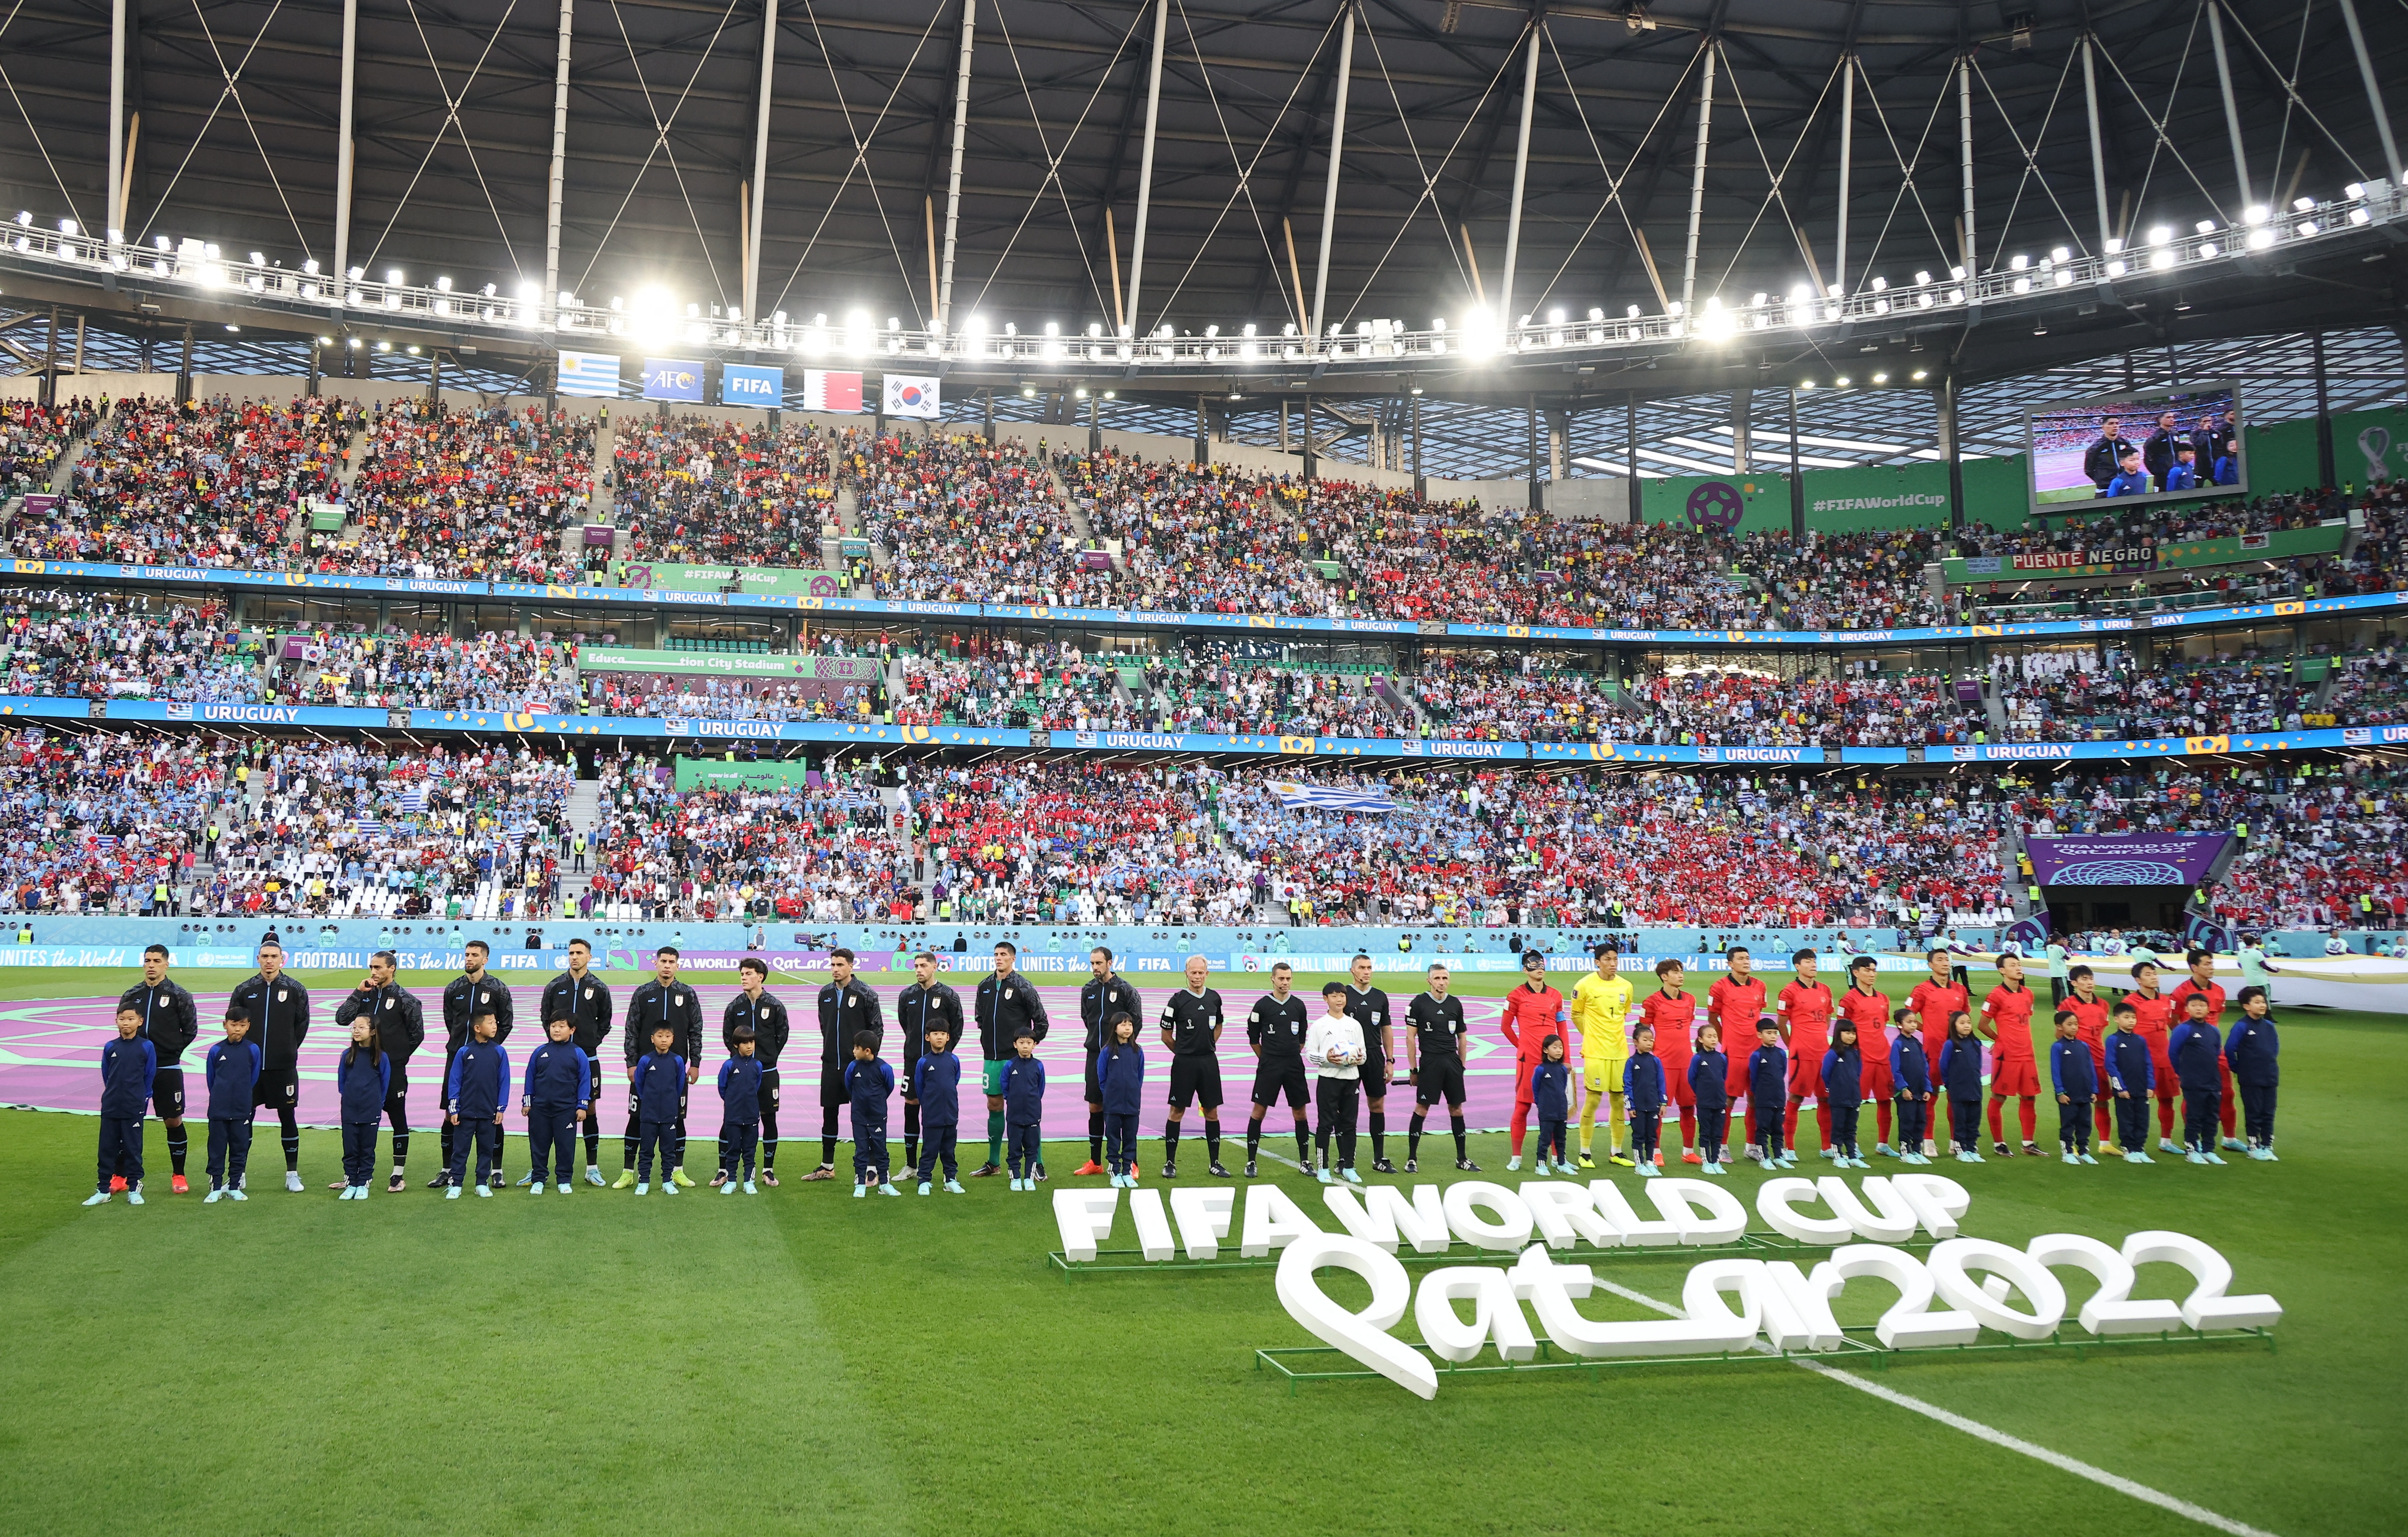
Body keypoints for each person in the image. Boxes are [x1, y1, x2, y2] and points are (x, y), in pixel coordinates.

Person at [334, 950, 423, 1194]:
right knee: (356, 1123)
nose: (373, 972)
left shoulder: (406, 999)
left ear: (392, 969)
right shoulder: (365, 995)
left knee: (398, 1121)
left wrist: (396, 1059)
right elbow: (342, 1018)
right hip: (361, 1072)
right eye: (371, 967)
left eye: (378, 968)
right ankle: (353, 1176)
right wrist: (357, 993)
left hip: (392, 1072)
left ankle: (397, 1175)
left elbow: (417, 1035)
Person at [228, 938, 310, 1192]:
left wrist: (285, 1049)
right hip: (249, 1068)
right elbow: (234, 1022)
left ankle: (292, 1174)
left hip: (283, 1067)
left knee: (288, 1117)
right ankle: (238, 1174)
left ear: (281, 959)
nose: (269, 961)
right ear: (258, 959)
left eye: (274, 956)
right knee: (244, 1118)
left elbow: (301, 1026)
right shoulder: (244, 990)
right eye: (265, 956)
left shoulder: (296, 989)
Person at [119, 944, 198, 1195]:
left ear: (167, 964)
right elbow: (124, 1026)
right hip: (135, 1069)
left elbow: (190, 1030)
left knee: (173, 1121)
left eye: (156, 960)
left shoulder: (179, 995)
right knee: (130, 1120)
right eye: (147, 960)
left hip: (167, 1068)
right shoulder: (132, 995)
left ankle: (179, 1175)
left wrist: (170, 1051)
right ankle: (122, 1176)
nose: (151, 965)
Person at [623, 947, 705, 1188]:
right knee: (636, 1118)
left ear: (678, 965)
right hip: (645, 1070)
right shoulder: (643, 993)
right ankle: (629, 1171)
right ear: (656, 964)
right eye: (663, 961)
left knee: (677, 1119)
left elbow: (695, 1030)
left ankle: (677, 1170)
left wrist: (695, 1063)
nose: (667, 965)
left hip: (676, 1071)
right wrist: (631, 1062)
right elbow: (631, 1029)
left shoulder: (688, 994)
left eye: (671, 961)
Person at [439, 940, 515, 1188]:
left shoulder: (498, 988)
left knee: (493, 1116)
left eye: (474, 955)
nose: (469, 959)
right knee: (451, 1113)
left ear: (485, 959)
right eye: (467, 954)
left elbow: (506, 1022)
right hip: (457, 1058)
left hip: (487, 1061)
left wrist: (488, 1050)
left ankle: (497, 1170)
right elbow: (450, 1020)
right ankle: (447, 1170)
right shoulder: (454, 988)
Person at [538, 938, 611, 1185]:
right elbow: (545, 1016)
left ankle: (592, 1168)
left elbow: (606, 1022)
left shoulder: (600, 988)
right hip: (558, 1060)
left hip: (588, 1058)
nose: (574, 957)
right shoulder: (555, 985)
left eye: (579, 953)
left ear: (589, 957)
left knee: (589, 1110)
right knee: (549, 1111)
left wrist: (590, 1041)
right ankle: (540, 1170)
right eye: (571, 953)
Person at [971, 942, 1042, 1179]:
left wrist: (1027, 1049)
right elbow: (980, 1018)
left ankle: (1037, 1163)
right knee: (994, 1105)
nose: (999, 958)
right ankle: (994, 1162)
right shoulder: (985, 986)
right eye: (996, 955)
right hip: (991, 1058)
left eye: (1004, 955)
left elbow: (1041, 1021)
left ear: (1013, 959)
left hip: (1015, 1060)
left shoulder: (1023, 986)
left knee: (1023, 1110)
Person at [1156, 954, 1228, 1179]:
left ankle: (1215, 1162)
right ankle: (1170, 1163)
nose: (1197, 977)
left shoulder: (1215, 999)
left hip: (1208, 1062)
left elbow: (1218, 1026)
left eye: (1201, 973)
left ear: (1207, 974)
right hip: (1184, 1063)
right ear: (1186, 973)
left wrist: (1208, 1044)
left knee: (1212, 1112)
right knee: (1177, 1111)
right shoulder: (1176, 1001)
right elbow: (1166, 1036)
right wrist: (1183, 1052)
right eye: (1193, 972)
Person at [718, 958, 789, 1187]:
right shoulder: (734, 1007)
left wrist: (767, 1057)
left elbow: (782, 1035)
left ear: (761, 977)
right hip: (740, 1075)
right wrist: (741, 1061)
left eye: (748, 974)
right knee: (730, 1120)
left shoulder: (775, 1006)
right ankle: (724, 1170)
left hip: (767, 1072)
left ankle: (768, 1170)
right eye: (742, 974)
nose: (743, 978)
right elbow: (728, 1037)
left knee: (769, 1118)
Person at [896, 951, 964, 1183]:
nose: (918, 970)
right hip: (913, 1061)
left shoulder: (948, 995)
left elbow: (957, 1027)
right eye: (916, 966)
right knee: (911, 1105)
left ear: (935, 967)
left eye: (923, 966)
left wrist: (943, 1054)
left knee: (938, 1111)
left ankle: (947, 1171)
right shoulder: (907, 995)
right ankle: (911, 1165)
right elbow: (906, 1024)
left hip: (940, 1063)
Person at [1075, 948, 1143, 1177]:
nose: (1095, 967)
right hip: (1095, 1055)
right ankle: (1095, 1161)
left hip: (1121, 1056)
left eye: (1099, 963)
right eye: (1092, 963)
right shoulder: (1088, 990)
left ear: (1110, 963)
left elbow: (1137, 1021)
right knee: (1095, 1106)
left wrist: (1121, 1046)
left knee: (1122, 1109)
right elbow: (1087, 1019)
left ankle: (1131, 1162)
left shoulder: (1125, 990)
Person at [2168, 949, 2245, 1151]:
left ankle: (2230, 1138)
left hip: (2215, 1052)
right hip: (2193, 1052)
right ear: (2194, 967)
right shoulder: (2180, 992)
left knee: (2227, 1094)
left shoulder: (2219, 991)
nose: (2212, 968)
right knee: (2193, 1097)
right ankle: (2193, 1140)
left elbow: (2217, 1018)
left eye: (2212, 964)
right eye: (2207, 964)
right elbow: (2173, 1021)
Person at [1404, 962, 1476, 1173]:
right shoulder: (1418, 1004)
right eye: (1437, 978)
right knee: (1422, 1108)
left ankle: (1462, 1158)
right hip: (1430, 1062)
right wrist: (1413, 1069)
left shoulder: (1455, 1004)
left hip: (1451, 1063)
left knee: (1456, 1108)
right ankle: (1411, 1159)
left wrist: (1461, 1065)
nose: (1441, 982)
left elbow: (1462, 1037)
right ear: (1429, 981)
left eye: (1445, 978)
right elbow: (1410, 1038)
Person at [1499, 950, 1569, 1171]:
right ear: (1525, 969)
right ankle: (1516, 1157)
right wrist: (1522, 1047)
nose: (1539, 967)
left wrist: (1565, 1057)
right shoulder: (1516, 996)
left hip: (1554, 1063)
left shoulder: (1556, 996)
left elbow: (1562, 1027)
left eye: (1542, 964)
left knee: (1557, 1110)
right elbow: (1505, 1027)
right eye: (1533, 964)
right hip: (1528, 1061)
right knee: (1522, 1108)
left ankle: (1559, 1160)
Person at [1244, 960, 1313, 1177]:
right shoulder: (1262, 1006)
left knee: (1300, 1112)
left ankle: (1305, 1160)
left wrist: (1289, 1054)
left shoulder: (1299, 1006)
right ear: (1272, 979)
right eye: (1281, 978)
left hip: (1294, 1064)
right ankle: (1251, 1162)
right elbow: (1254, 1039)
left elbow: (1302, 1039)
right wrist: (1268, 1059)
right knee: (1259, 1110)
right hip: (1269, 1065)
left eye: (1288, 979)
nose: (1285, 982)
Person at [1571, 944, 1634, 1169]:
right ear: (1597, 962)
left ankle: (1616, 1151)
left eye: (1615, 959)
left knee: (1619, 1101)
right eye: (1608, 959)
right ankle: (1585, 1153)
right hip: (1596, 1052)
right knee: (1594, 1099)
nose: (1613, 963)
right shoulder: (1584, 985)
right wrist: (1591, 1036)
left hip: (1620, 1052)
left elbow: (1623, 1014)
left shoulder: (1626, 986)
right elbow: (1576, 1013)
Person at [87, 1008, 156, 1206]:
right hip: (111, 1105)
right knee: (107, 1148)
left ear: (140, 1022)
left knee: (132, 1148)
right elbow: (106, 1073)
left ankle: (134, 1188)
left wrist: (142, 1098)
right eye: (122, 1019)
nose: (126, 1023)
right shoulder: (111, 1047)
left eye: (131, 1019)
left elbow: (149, 1075)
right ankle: (103, 1190)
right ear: (116, 1021)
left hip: (134, 1105)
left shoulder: (146, 1046)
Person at [1905, 950, 1970, 1156]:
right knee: (1930, 1096)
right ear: (1930, 965)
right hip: (1933, 1052)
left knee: (1956, 1097)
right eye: (1940, 960)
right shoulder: (1922, 990)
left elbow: (1966, 1018)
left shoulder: (1960, 989)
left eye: (1947, 959)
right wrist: (1930, 1031)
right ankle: (1928, 1140)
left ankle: (1955, 1140)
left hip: (1958, 1052)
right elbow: (1908, 1016)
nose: (1945, 963)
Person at [1301, 982, 1366, 1186]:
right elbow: (1310, 1053)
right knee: (1325, 1125)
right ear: (1325, 999)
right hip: (1328, 1079)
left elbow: (1363, 1054)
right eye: (1335, 996)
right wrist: (1327, 1058)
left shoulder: (1354, 1025)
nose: (1339, 1000)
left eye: (1342, 996)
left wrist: (1357, 1059)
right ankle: (1323, 1168)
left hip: (1351, 1079)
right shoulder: (1320, 1025)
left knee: (1350, 1125)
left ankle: (1349, 1167)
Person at [1341, 954, 1399, 1174]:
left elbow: (1386, 1029)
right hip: (1350, 1059)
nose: (1367, 972)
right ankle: (1345, 1158)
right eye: (1362, 968)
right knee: (1346, 1109)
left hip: (1374, 1057)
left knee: (1377, 1106)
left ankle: (1379, 1158)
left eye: (1370, 968)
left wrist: (1390, 1060)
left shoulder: (1380, 997)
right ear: (1353, 971)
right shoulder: (1344, 995)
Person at [1979, 952, 2042, 1157]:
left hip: (2028, 1055)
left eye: (2019, 964)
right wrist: (2000, 1041)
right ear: (2002, 971)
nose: (2018, 968)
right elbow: (1982, 1025)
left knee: (2029, 1097)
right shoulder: (1996, 995)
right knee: (1999, 1096)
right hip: (2007, 1055)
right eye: (2013, 965)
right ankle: (1999, 1144)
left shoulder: (2028, 994)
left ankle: (2029, 1143)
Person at [442, 1011, 510, 1198]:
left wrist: (501, 1108)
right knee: (460, 1150)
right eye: (490, 1023)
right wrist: (454, 1109)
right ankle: (456, 1184)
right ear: (477, 1028)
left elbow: (504, 1082)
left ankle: (482, 1183)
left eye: (495, 1022)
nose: (495, 1026)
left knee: (486, 1150)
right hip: (465, 1112)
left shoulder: (499, 1052)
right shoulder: (464, 1052)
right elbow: (455, 1081)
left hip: (489, 1113)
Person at [521, 1017, 593, 1195]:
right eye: (553, 1026)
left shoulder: (578, 1053)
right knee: (539, 1146)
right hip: (540, 1110)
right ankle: (538, 1179)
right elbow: (530, 1077)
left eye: (562, 1027)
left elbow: (585, 1080)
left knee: (565, 1147)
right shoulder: (540, 1052)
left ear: (572, 1030)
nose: (557, 1030)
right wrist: (528, 1103)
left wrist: (582, 1106)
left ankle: (564, 1179)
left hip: (566, 1110)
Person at [1708, 948, 1767, 1162]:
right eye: (1741, 959)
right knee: (1728, 1100)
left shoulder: (1760, 986)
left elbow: (1759, 1015)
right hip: (1733, 1052)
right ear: (1730, 964)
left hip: (1757, 1052)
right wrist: (1727, 1041)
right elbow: (1713, 1018)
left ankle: (1751, 1146)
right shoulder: (1719, 987)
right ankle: (1722, 1146)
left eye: (1748, 958)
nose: (1746, 962)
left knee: (1755, 1099)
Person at [1638, 958, 1700, 1164]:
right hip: (1663, 1064)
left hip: (1687, 1063)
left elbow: (1688, 1024)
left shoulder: (1690, 999)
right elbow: (1642, 1032)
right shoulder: (1651, 1002)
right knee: (1658, 1110)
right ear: (1664, 977)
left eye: (1682, 971)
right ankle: (1655, 1152)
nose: (1681, 975)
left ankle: (1688, 1152)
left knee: (1689, 1108)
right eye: (1676, 972)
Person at [1777, 948, 1835, 1160]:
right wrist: (1794, 1045)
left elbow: (1828, 1017)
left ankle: (1827, 1147)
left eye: (1814, 961)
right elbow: (1781, 1024)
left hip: (1823, 1053)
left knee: (1826, 1098)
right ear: (1798, 966)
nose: (1813, 965)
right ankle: (1789, 1148)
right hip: (1802, 1053)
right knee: (1796, 1097)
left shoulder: (1825, 990)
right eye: (1808, 961)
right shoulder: (1789, 991)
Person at [1836, 956, 1895, 1158]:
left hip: (1883, 1057)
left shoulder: (1884, 998)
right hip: (1861, 1058)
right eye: (1867, 970)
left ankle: (1883, 1144)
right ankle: (1852, 1143)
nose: (1872, 974)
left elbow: (1883, 1025)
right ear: (1856, 973)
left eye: (1874, 970)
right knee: (1854, 1102)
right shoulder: (1849, 1000)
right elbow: (1842, 1030)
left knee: (1886, 1101)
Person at [2122, 960, 2181, 1154]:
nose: (2154, 976)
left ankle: (2166, 1141)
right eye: (2148, 974)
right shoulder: (2130, 1003)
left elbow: (2171, 1025)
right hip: (2141, 1060)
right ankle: (2133, 1144)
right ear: (2138, 980)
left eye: (2155, 973)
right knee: (2137, 1103)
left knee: (2168, 1099)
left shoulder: (2165, 1001)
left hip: (2165, 1058)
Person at [202, 1010, 260, 1203]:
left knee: (239, 1148)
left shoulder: (252, 1050)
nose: (238, 1029)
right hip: (219, 1109)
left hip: (242, 1108)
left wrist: (241, 1096)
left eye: (242, 1025)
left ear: (248, 1027)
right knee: (217, 1149)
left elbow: (253, 1078)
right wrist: (222, 1095)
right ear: (225, 1025)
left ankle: (234, 1186)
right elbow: (212, 1079)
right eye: (234, 1024)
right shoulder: (216, 1051)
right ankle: (216, 1188)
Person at [335, 1014, 390, 1200]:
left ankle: (364, 1183)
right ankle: (351, 1183)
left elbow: (384, 1084)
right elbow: (342, 1084)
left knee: (367, 1149)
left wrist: (375, 1105)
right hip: (350, 1111)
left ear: (373, 1032)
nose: (356, 1031)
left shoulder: (381, 1058)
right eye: (354, 1028)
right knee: (350, 1149)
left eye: (361, 1028)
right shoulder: (347, 1056)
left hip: (370, 1111)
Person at [628, 1023, 686, 1195]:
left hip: (669, 1115)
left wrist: (669, 1102)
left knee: (668, 1151)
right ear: (652, 1039)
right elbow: (640, 1084)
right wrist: (650, 1101)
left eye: (668, 1036)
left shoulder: (677, 1061)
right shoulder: (646, 1061)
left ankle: (667, 1181)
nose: (664, 1040)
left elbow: (679, 1084)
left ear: (673, 1039)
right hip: (648, 1115)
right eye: (660, 1036)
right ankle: (643, 1181)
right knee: (646, 1150)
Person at [2169, 994, 2228, 1165]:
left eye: (2202, 1005)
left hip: (2213, 1080)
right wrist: (2183, 1073)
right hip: (2193, 1081)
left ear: (2208, 1009)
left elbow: (2216, 1052)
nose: (2199, 1008)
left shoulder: (2213, 1031)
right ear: (2187, 1009)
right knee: (2194, 1116)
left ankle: (2209, 1149)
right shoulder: (2183, 1029)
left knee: (2212, 1117)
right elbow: (2173, 1053)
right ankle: (2192, 1150)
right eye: (2194, 1005)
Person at [2061, 964, 2115, 1151]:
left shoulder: (2104, 1004)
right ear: (2074, 983)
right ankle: (2072, 1145)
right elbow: (2059, 1033)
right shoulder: (2067, 1005)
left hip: (2099, 1058)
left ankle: (2105, 1144)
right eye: (2084, 979)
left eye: (2091, 978)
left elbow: (2101, 1029)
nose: (2089, 982)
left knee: (2103, 1100)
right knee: (2076, 1102)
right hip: (2077, 1060)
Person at [2225, 986, 2280, 1161]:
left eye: (2263, 1002)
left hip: (2270, 1075)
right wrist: (2238, 1068)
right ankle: (2253, 1146)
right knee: (2254, 1112)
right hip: (2251, 1077)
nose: (2262, 1005)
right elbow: (2229, 1050)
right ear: (2246, 1006)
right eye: (2257, 1002)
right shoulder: (2242, 1026)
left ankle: (2267, 1145)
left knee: (2268, 1112)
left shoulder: (2269, 1026)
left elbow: (2274, 1048)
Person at [845, 1030, 899, 1197]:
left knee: (881, 1150)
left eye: (856, 1048)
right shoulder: (853, 1067)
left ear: (867, 1051)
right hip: (859, 1117)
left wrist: (876, 1103)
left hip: (878, 1117)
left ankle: (884, 1183)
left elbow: (889, 1088)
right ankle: (860, 1183)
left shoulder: (884, 1068)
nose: (853, 1051)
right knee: (861, 1151)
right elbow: (849, 1086)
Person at [912, 1024, 965, 1193]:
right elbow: (920, 1087)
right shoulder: (924, 1062)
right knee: (929, 1149)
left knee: (949, 1150)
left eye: (943, 1034)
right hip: (932, 1115)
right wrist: (929, 1104)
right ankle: (924, 1180)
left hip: (950, 1113)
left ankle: (951, 1179)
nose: (940, 1037)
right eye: (935, 1034)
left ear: (948, 1037)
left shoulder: (954, 1060)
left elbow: (954, 1081)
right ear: (928, 1038)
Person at [1097, 1014, 1146, 1188]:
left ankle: (1127, 1172)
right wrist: (1111, 1094)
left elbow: (1139, 1076)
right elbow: (1102, 1078)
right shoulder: (1107, 1051)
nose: (1127, 1028)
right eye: (1123, 1025)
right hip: (1113, 1105)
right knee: (1113, 1139)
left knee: (1130, 1139)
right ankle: (1115, 1172)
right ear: (1115, 1028)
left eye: (1130, 1025)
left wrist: (1132, 1092)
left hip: (1132, 1104)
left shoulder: (1137, 1051)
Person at [716, 1027, 764, 1195]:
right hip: (733, 1117)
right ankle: (731, 1181)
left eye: (752, 1042)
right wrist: (732, 1103)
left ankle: (749, 1182)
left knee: (750, 1151)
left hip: (751, 1115)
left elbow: (756, 1086)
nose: (750, 1046)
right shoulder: (729, 1065)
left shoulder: (758, 1065)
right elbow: (723, 1088)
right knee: (733, 1149)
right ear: (736, 1045)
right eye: (745, 1043)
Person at [2105, 1003, 2156, 1163]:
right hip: (2124, 1090)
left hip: (2141, 1088)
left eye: (2133, 1017)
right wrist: (2120, 1087)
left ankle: (2140, 1148)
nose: (2131, 1021)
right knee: (2126, 1119)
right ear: (2117, 1019)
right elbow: (2111, 1065)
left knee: (2142, 1119)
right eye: (2126, 1018)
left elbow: (2148, 1063)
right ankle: (2128, 1149)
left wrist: (2150, 1085)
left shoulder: (2140, 1040)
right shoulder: (2113, 1040)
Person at [2048, 1010, 2098, 1165]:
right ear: (2060, 1027)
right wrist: (2060, 1092)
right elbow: (2055, 1071)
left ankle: (2084, 1151)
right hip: (2068, 1095)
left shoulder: (2083, 1046)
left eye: (2076, 1024)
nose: (2074, 1027)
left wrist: (2094, 1089)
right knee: (2068, 1123)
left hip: (2085, 1092)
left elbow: (2091, 1068)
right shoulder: (2058, 1047)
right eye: (2070, 1024)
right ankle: (2068, 1152)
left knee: (2085, 1124)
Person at [1935, 1012, 1985, 1163]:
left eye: (1968, 1023)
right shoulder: (1951, 1044)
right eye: (1962, 1023)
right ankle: (1961, 1149)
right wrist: (1950, 1084)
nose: (1966, 1026)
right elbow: (1944, 1066)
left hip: (1975, 1088)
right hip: (1958, 1089)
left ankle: (1972, 1148)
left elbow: (1979, 1064)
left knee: (1974, 1120)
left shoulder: (1976, 1044)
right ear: (1954, 1026)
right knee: (1961, 1120)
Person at [1889, 1008, 1934, 1166]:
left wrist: (1928, 1088)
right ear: (1899, 1025)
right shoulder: (1898, 1044)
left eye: (1915, 1022)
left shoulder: (1917, 1043)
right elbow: (1895, 1069)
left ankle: (1917, 1150)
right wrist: (1903, 1089)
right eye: (1909, 1022)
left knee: (1920, 1121)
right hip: (1906, 1093)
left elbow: (1925, 1068)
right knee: (1907, 1121)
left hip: (1920, 1091)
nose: (1914, 1025)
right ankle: (1905, 1151)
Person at [1002, 1031, 1046, 1190]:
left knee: (1032, 1148)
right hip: (1014, 1116)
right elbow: (1005, 1088)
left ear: (1034, 1045)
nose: (1025, 1046)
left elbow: (1040, 1089)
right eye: (1022, 1043)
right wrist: (1014, 1101)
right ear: (1015, 1045)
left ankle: (1029, 1178)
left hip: (1033, 1115)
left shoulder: (1039, 1066)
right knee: (1014, 1149)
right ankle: (1015, 1178)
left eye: (1029, 1043)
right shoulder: (1010, 1066)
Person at [1622, 1025, 1667, 1179]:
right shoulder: (1631, 1062)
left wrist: (1663, 1102)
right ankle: (1639, 1164)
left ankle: (1650, 1162)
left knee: (1651, 1136)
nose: (1649, 1043)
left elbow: (1661, 1083)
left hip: (1653, 1106)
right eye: (1645, 1040)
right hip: (1638, 1107)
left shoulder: (1656, 1061)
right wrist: (1630, 1106)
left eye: (1651, 1040)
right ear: (1636, 1042)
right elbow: (1627, 1085)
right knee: (1639, 1136)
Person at [1746, 1018, 1790, 1168]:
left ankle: (1778, 1156)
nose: (1773, 1036)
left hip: (1779, 1097)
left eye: (1775, 1033)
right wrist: (1759, 1093)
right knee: (1763, 1128)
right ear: (1760, 1035)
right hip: (1764, 1098)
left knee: (1778, 1128)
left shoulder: (1781, 1053)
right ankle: (1764, 1157)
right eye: (1769, 1033)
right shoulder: (1757, 1055)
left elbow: (1782, 1072)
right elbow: (1754, 1077)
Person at [1821, 1021, 1866, 1168]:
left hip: (1854, 1097)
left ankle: (1853, 1155)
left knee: (1851, 1128)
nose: (1851, 1036)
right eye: (1847, 1033)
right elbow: (1825, 1073)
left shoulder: (1855, 1053)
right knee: (1838, 1127)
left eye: (1854, 1033)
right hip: (1839, 1098)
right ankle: (1837, 1155)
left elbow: (1858, 1073)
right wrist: (1832, 1088)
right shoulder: (1833, 1053)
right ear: (1838, 1034)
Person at [1688, 1022, 1729, 1176]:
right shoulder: (1698, 1059)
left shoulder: (1721, 1058)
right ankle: (1707, 1162)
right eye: (1709, 1036)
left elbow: (1723, 1077)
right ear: (1701, 1039)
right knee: (1706, 1132)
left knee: (1718, 1133)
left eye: (1715, 1036)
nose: (1713, 1039)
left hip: (1720, 1101)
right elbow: (1692, 1078)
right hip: (1705, 1102)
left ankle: (1716, 1161)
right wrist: (1702, 1093)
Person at [1529, 1035, 1573, 1177]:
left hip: (1561, 1109)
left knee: (1561, 1138)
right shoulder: (1541, 1070)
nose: (1559, 1050)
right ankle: (1541, 1164)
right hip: (1547, 1110)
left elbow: (1563, 1086)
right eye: (1555, 1047)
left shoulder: (1562, 1070)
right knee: (1545, 1139)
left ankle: (1561, 1163)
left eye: (1561, 1047)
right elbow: (1535, 1087)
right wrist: (1540, 1103)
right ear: (1546, 1050)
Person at [2083, 414, 2137, 493]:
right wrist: (2102, 481)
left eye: (2117, 423)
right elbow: (2089, 470)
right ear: (2103, 427)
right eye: (2111, 424)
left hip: (2126, 487)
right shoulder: (2096, 448)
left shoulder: (2125, 443)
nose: (2115, 426)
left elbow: (2132, 461)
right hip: (2105, 489)